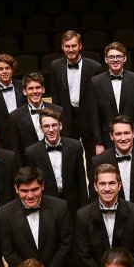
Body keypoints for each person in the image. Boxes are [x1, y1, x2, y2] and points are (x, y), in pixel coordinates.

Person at [0, 166, 74, 267]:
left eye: (34, 189)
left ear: (42, 186)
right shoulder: (4, 213)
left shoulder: (60, 207)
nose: (30, 196)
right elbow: (8, 251)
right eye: (24, 191)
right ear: (16, 189)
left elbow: (66, 243)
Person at [75, 164, 134, 267]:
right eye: (102, 184)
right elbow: (84, 255)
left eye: (112, 183)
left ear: (119, 186)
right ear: (95, 186)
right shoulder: (82, 215)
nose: (107, 188)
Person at [49, 31, 103, 168]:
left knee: (93, 163)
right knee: (69, 162)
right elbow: (56, 98)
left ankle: (93, 190)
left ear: (80, 46)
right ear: (62, 46)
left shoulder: (95, 67)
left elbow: (99, 100)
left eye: (74, 45)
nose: (70, 50)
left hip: (89, 120)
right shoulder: (55, 66)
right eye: (67, 46)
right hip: (67, 119)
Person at [85, 42, 134, 155]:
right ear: (106, 59)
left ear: (125, 58)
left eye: (119, 56)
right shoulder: (95, 82)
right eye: (111, 57)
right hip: (106, 141)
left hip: (132, 140)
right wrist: (99, 143)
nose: (115, 60)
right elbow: (94, 116)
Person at [23, 108, 88, 214]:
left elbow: (81, 181)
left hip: (73, 206)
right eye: (46, 126)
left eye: (54, 125)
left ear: (60, 126)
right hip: (46, 208)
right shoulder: (31, 152)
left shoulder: (75, 146)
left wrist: (84, 210)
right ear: (41, 129)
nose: (51, 130)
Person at [6, 72, 64, 156]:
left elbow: (65, 141)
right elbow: (16, 150)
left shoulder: (58, 111)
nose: (35, 91)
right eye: (30, 88)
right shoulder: (15, 117)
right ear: (24, 91)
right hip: (30, 166)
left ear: (43, 89)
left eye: (38, 87)